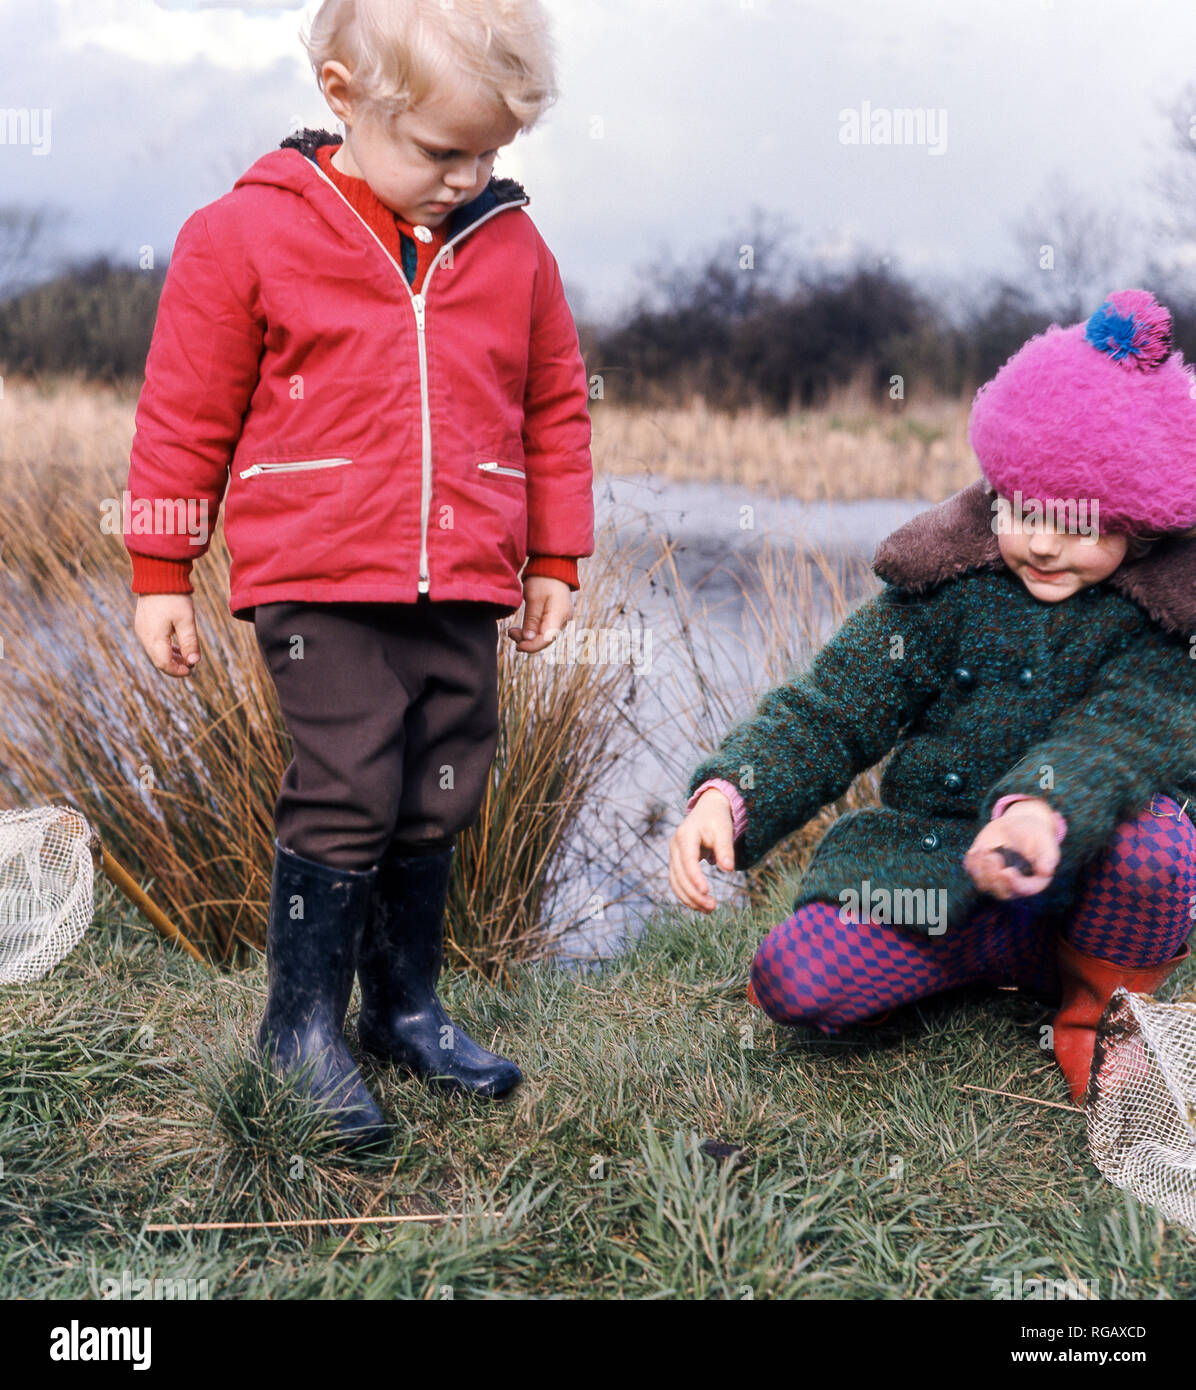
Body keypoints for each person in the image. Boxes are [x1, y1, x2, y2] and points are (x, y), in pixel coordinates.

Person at [123, 0, 593, 1147]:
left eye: (489, 152)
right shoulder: (243, 234)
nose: (466, 174)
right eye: (442, 150)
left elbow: (553, 404)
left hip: (464, 578)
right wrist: (160, 566)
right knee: (347, 781)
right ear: (344, 94)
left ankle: (402, 1005)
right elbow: (182, 413)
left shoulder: (512, 246)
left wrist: (554, 554)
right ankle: (297, 1031)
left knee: (443, 774)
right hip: (317, 580)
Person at [671, 289, 1196, 1104]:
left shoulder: (1165, 619)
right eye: (1024, 510)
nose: (1046, 542)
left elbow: (1119, 735)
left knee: (1157, 839)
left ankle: (1100, 1011)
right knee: (797, 985)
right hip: (936, 868)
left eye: (1082, 522)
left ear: (1143, 522)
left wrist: (1035, 811)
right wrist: (732, 793)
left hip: (1081, 880)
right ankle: (970, 961)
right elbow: (833, 707)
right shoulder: (942, 589)